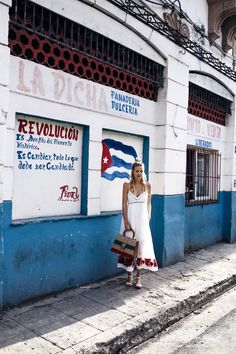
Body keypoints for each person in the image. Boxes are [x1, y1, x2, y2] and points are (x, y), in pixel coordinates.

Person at [117, 158, 158, 289]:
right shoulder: (126, 185)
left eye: (141, 171)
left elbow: (149, 203)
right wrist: (125, 222)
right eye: (137, 171)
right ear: (132, 172)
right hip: (129, 220)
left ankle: (138, 278)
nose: (139, 173)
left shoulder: (148, 185)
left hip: (142, 221)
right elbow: (123, 204)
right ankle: (129, 276)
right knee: (129, 249)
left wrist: (148, 218)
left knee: (141, 249)